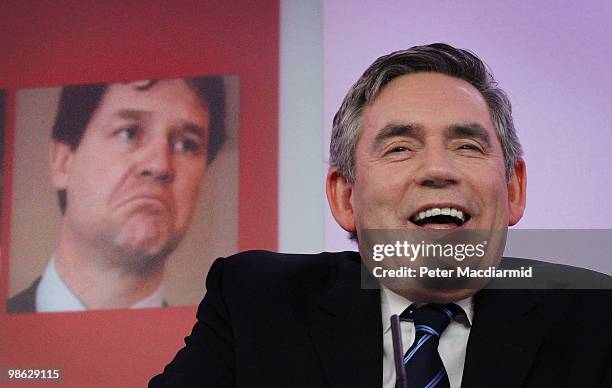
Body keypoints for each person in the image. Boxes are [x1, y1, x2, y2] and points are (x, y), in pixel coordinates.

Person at [150, 44, 611, 387]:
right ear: (344, 196)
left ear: (513, 189)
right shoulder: (257, 302)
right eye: (400, 148)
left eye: (467, 146)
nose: (438, 169)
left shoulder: (597, 319)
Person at [7, 76, 225, 313]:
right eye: (129, 133)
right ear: (63, 162)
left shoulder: (218, 347)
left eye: (187, 144)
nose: (160, 165)